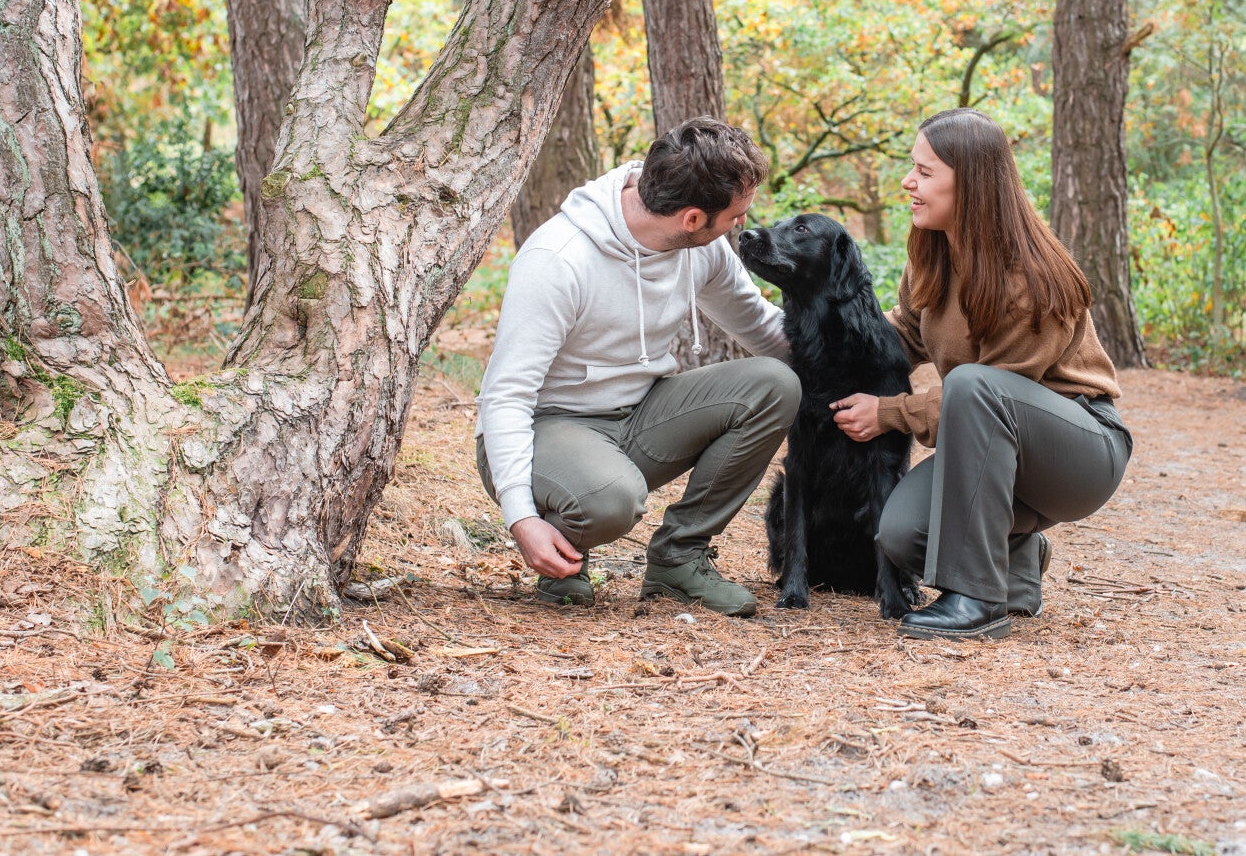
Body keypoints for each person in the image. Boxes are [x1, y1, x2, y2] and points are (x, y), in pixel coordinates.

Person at [829, 108, 1132, 640]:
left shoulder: (1031, 277)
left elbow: (981, 397)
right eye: (912, 168)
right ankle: (1014, 561)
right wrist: (822, 343)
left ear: (969, 181)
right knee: (901, 534)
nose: (908, 182)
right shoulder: (933, 251)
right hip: (999, 453)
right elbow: (902, 333)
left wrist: (890, 413)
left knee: (972, 384)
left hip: (1080, 453)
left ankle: (978, 599)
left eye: (925, 172)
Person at [476, 118, 798, 617]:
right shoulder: (558, 260)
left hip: (639, 412)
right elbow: (506, 396)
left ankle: (679, 560)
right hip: (548, 427)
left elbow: (762, 328)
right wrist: (520, 517)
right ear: (692, 219)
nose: (741, 226)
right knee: (610, 500)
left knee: (775, 385)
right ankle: (563, 541)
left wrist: (869, 362)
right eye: (735, 216)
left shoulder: (704, 248)